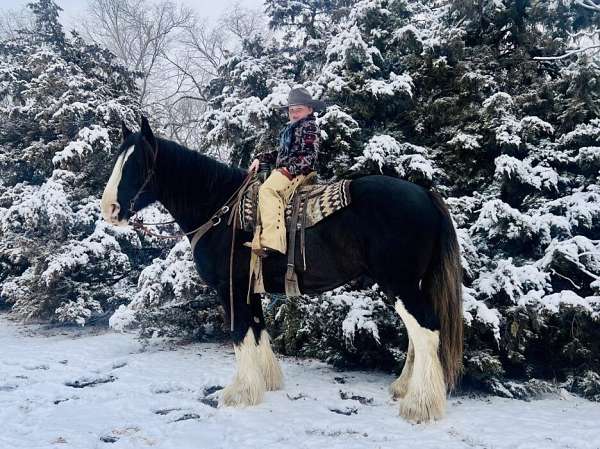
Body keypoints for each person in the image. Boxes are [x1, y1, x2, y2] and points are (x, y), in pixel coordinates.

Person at [248, 87, 325, 257]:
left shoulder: (309, 127)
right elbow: (280, 155)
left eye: (299, 109)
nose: (294, 114)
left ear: (310, 110)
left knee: (268, 190)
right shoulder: (290, 131)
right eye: (291, 110)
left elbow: (309, 156)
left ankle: (273, 241)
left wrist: (289, 171)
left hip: (300, 172)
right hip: (288, 170)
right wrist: (259, 158)